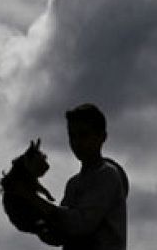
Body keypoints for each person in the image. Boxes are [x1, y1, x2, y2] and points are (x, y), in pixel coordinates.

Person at [29, 104, 126, 250]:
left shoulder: (108, 175)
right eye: (72, 136)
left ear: (102, 137)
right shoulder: (73, 184)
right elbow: (60, 232)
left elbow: (80, 224)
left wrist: (33, 199)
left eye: (83, 135)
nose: (77, 143)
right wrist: (37, 223)